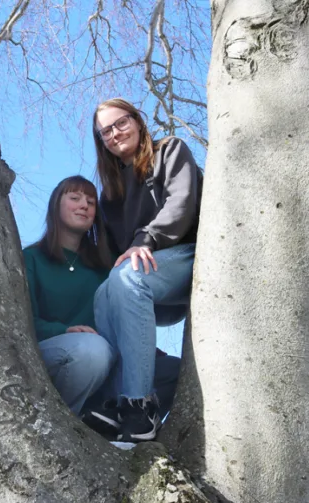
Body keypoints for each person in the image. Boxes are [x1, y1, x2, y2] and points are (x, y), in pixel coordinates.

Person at [84, 97, 202, 442]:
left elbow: (181, 204)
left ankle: (141, 405)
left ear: (137, 121)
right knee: (106, 289)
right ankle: (115, 399)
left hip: (187, 255)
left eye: (120, 123)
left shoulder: (170, 150)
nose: (115, 133)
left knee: (128, 275)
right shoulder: (112, 194)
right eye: (105, 131)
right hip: (152, 283)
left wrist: (145, 240)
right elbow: (114, 253)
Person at [23, 175, 115, 416]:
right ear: (56, 206)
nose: (84, 205)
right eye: (75, 198)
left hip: (101, 360)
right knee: (89, 351)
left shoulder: (104, 268)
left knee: (169, 372)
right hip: (49, 355)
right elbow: (23, 322)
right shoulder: (30, 259)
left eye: (91, 202)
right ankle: (63, 425)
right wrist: (62, 331)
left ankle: (105, 423)